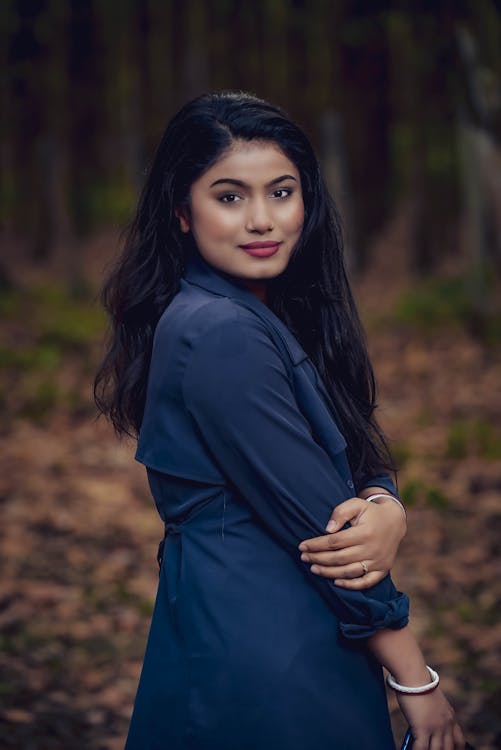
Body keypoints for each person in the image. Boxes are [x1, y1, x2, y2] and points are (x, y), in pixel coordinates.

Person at [95, 91, 464, 750]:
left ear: (307, 202)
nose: (262, 220)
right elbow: (326, 533)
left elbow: (349, 453)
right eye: (230, 196)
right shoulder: (218, 332)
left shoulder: (262, 311)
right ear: (181, 211)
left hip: (269, 627)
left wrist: (383, 500)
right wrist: (417, 683)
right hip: (265, 646)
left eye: (282, 191)